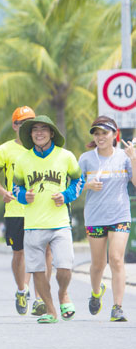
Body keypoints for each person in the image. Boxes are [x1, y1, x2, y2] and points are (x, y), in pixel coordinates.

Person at [12, 115, 84, 324]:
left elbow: (79, 180)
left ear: (52, 133)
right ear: (30, 134)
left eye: (44, 129)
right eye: (35, 130)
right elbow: (16, 187)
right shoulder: (23, 160)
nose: (39, 133)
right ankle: (51, 310)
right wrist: (23, 196)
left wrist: (67, 196)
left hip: (60, 223)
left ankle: (62, 294)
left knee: (64, 268)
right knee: (37, 271)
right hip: (33, 225)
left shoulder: (66, 156)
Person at [0, 106, 52, 316]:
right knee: (20, 253)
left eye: (30, 123)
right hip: (15, 210)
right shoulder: (4, 150)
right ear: (14, 126)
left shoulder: (44, 148)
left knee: (45, 252)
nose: (26, 127)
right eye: (21, 123)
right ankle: (22, 290)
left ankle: (40, 297)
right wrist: (3, 192)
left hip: (42, 210)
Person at [78, 116, 133, 322]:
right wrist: (88, 185)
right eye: (97, 133)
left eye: (105, 133)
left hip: (120, 215)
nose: (100, 137)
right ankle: (95, 292)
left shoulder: (125, 157)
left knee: (117, 260)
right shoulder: (85, 159)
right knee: (98, 264)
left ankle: (117, 307)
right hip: (95, 217)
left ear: (114, 135)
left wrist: (134, 159)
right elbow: (73, 187)